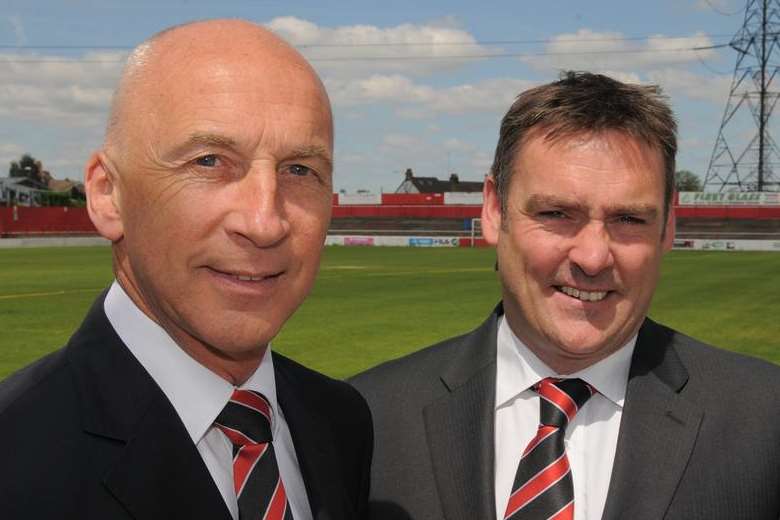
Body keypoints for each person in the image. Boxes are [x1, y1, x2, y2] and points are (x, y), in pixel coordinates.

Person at [351, 72, 780, 520]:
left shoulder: (766, 421)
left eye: (629, 218)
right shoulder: (367, 420)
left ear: (668, 226)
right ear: (495, 211)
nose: (593, 258)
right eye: (557, 213)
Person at [0, 20, 371, 520]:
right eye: (209, 160)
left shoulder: (341, 420)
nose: (264, 222)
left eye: (299, 170)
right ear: (108, 194)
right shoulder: (16, 457)